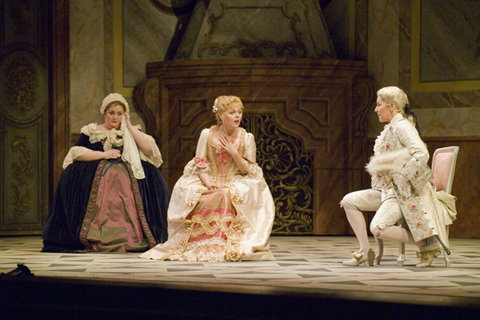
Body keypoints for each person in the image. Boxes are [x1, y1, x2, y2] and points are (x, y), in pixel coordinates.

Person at [139, 95, 275, 262]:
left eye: (239, 112)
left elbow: (248, 170)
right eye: (232, 112)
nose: (237, 116)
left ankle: (226, 244)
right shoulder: (207, 134)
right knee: (201, 194)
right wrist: (209, 183)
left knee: (227, 194)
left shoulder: (247, 137)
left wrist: (234, 152)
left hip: (236, 180)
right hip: (209, 179)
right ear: (221, 115)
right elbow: (200, 164)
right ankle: (198, 243)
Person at [340, 86, 456, 268]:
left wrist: (403, 174)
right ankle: (365, 251)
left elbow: (422, 153)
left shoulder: (402, 126)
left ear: (391, 106)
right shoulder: (390, 127)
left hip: (401, 193)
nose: (376, 109)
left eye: (379, 105)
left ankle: (427, 244)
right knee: (349, 201)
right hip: (386, 190)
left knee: (377, 228)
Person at [42, 93, 170, 253]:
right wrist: (103, 155)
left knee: (123, 175)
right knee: (113, 174)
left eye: (119, 113)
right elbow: (76, 152)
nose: (115, 117)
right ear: (104, 112)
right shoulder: (92, 131)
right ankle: (98, 233)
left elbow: (149, 149)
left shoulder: (130, 131)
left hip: (126, 173)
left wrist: (128, 125)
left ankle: (131, 234)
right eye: (111, 113)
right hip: (97, 171)